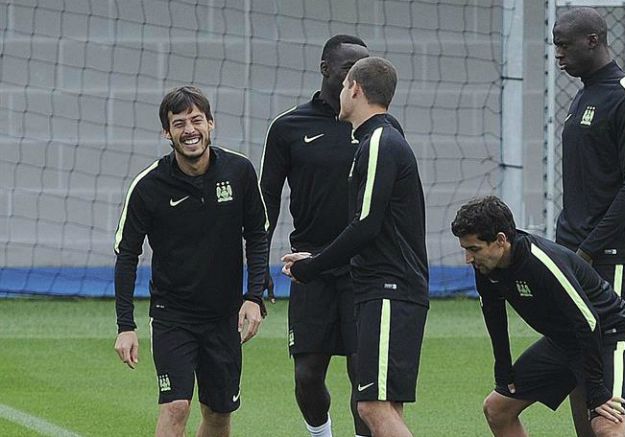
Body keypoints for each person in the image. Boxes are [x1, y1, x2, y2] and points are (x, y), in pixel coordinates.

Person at [260, 34, 399, 437]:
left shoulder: (379, 129)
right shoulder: (288, 127)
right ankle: (320, 433)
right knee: (307, 373)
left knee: (363, 375)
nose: (355, 77)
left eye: (361, 70)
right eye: (347, 69)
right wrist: (258, 266)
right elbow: (266, 200)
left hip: (365, 266)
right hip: (311, 265)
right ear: (326, 70)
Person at [282, 57, 428, 437]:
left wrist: (311, 266)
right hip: (386, 290)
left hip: (389, 290)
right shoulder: (372, 139)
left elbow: (364, 225)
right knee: (386, 408)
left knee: (372, 408)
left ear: (355, 89)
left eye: (345, 87)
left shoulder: (379, 141)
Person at [113, 86, 268, 437]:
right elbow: (127, 255)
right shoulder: (148, 186)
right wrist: (126, 325)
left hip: (222, 317)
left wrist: (254, 296)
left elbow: (257, 235)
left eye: (197, 120)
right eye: (179, 123)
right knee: (176, 406)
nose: (190, 130)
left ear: (211, 124)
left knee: (218, 415)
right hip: (173, 316)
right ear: (167, 133)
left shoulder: (240, 172)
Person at [451, 195, 625, 437]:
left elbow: (588, 321)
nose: (468, 259)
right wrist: (504, 370)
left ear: (500, 240)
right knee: (497, 409)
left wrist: (595, 391)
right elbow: (494, 316)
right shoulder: (486, 266)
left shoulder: (542, 261)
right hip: (564, 342)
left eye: (474, 249)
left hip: (607, 334)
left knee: (606, 426)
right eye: (466, 249)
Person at [553, 7, 625, 437]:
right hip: (577, 252)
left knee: (614, 364)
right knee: (584, 361)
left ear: (593, 40)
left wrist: (590, 248)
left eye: (564, 44)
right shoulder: (583, 95)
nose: (557, 53)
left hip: (610, 256)